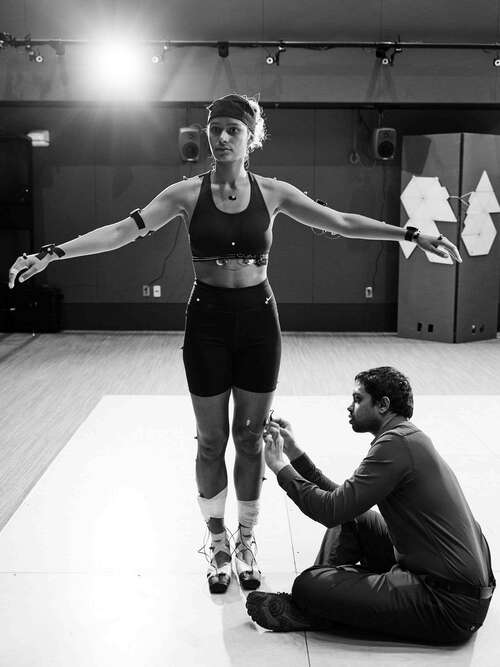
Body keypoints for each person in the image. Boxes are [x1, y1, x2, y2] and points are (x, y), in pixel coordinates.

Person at [8, 95, 462, 596]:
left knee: (249, 438)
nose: (222, 138)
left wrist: (411, 233)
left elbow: (343, 222)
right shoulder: (184, 193)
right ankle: (217, 542)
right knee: (209, 440)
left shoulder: (274, 193)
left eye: (233, 130)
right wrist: (53, 253)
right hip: (206, 321)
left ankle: (246, 541)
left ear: (251, 138)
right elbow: (121, 232)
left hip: (257, 321)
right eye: (215, 129)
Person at [246, 366, 495, 644]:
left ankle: (316, 601)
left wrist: (280, 467)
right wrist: (293, 453)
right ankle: (325, 599)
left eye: (357, 399)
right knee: (356, 520)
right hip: (456, 585)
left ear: (383, 405)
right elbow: (343, 505)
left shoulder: (394, 445)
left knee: (306, 586)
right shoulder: (405, 438)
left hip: (449, 604)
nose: (349, 407)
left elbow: (329, 511)